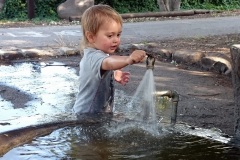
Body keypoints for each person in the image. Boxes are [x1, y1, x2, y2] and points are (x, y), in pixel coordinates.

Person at [73, 4, 146, 121]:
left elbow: (107, 64)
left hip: (97, 114)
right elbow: (108, 62)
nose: (116, 40)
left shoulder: (98, 54)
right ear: (91, 37)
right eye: (110, 35)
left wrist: (113, 73)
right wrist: (128, 59)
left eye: (118, 34)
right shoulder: (92, 57)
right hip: (86, 116)